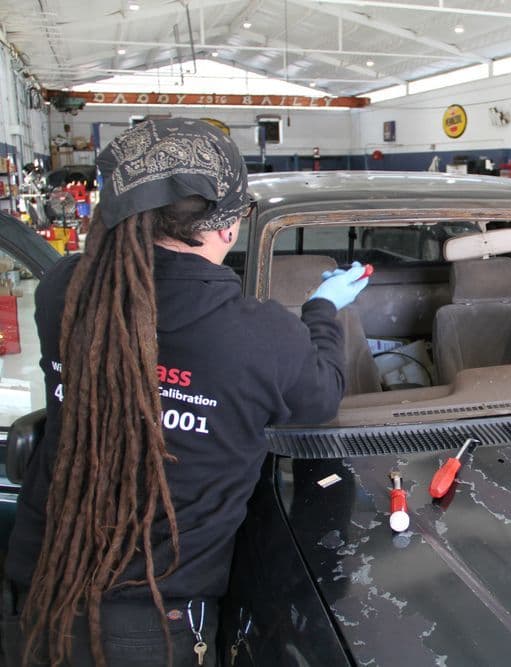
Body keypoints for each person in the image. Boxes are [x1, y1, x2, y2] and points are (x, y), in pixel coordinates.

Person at [2, 118, 369, 666]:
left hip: (39, 595)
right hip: (155, 624)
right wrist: (321, 311)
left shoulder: (63, 291)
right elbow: (320, 400)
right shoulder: (263, 335)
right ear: (226, 228)